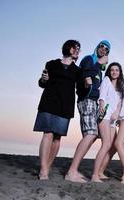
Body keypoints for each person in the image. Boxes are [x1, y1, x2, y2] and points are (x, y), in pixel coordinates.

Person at [33, 40, 81, 180]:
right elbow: (42, 83)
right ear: (68, 48)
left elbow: (81, 89)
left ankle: (47, 166)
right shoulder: (51, 64)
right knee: (47, 134)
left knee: (57, 138)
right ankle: (43, 170)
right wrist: (44, 80)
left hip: (65, 106)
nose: (77, 50)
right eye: (75, 47)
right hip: (49, 102)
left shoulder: (77, 71)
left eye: (79, 48)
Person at [65, 40, 111, 183]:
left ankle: (74, 170)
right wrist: (100, 63)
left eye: (107, 49)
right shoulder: (89, 59)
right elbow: (83, 75)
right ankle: (71, 171)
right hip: (86, 100)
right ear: (97, 47)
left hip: (93, 102)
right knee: (91, 134)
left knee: (91, 136)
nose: (103, 49)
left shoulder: (99, 69)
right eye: (102, 46)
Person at [91, 62, 124, 182]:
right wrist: (101, 106)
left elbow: (120, 103)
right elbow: (102, 96)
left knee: (114, 146)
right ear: (109, 72)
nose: (114, 72)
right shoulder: (106, 80)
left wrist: (117, 114)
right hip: (104, 115)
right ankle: (95, 175)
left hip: (113, 119)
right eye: (112, 70)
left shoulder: (120, 88)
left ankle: (100, 172)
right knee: (106, 144)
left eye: (117, 70)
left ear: (120, 73)